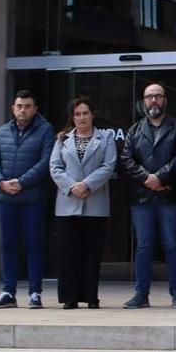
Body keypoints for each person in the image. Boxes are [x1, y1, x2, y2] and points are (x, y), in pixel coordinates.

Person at [120, 83, 176, 309]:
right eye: (149, 97)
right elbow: (126, 159)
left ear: (165, 100)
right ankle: (141, 294)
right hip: (142, 198)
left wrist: (160, 178)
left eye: (157, 96)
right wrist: (147, 178)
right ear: (143, 102)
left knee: (172, 245)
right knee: (143, 246)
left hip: (169, 196)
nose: (153, 101)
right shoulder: (134, 130)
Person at [49, 96, 118, 309]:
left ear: (92, 115)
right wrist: (72, 186)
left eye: (85, 113)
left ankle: (91, 296)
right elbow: (55, 167)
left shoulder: (105, 138)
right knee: (68, 253)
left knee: (91, 253)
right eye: (77, 114)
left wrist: (87, 184)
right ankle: (69, 297)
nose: (81, 117)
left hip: (95, 202)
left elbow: (109, 165)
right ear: (73, 117)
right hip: (67, 203)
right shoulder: (62, 139)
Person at [0, 89, 52, 309]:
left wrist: (21, 182)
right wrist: (1, 182)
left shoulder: (45, 130)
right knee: (8, 245)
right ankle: (8, 291)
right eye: (19, 106)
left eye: (27, 106)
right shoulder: (2, 131)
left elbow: (46, 162)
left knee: (34, 244)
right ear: (12, 108)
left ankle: (35, 292)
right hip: (6, 199)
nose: (22, 110)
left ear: (35, 109)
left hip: (33, 198)